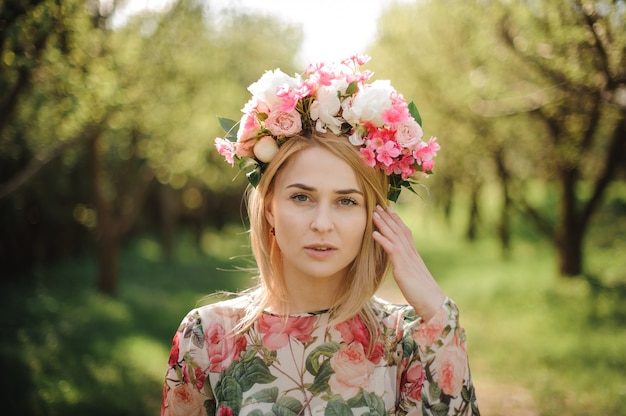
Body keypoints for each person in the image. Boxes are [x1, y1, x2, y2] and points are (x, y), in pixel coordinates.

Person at [162, 54, 480, 416]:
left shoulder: (404, 339)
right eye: (302, 197)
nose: (322, 223)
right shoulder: (207, 336)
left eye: (346, 201)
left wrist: (436, 310)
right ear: (270, 209)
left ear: (371, 216)